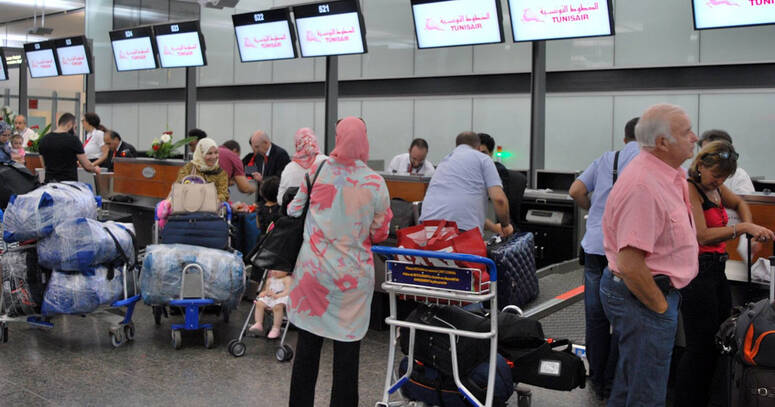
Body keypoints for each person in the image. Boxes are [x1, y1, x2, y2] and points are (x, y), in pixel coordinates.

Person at [286, 117, 393, 407]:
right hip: (352, 281)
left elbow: (294, 210)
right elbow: (380, 233)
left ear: (338, 137)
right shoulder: (375, 182)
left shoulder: (317, 170)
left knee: (307, 349)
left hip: (313, 276)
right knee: (347, 353)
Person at [599, 104, 699, 406]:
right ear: (663, 142)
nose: (695, 137)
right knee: (647, 393)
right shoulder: (644, 186)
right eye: (686, 132)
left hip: (647, 296)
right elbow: (630, 264)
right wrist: (659, 308)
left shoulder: (669, 175)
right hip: (643, 297)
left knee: (631, 384)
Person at [674, 140, 775, 407]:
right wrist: (743, 228)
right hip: (698, 272)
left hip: (717, 270)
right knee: (699, 346)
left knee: (720, 338)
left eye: (724, 177)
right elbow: (702, 235)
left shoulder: (716, 188)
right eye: (716, 175)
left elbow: (739, 203)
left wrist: (750, 227)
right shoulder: (691, 188)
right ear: (701, 165)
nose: (719, 181)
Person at [568, 117, 640, 400]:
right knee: (623, 317)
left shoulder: (607, 158)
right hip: (625, 249)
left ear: (624, 139)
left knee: (596, 317)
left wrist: (594, 211)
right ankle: (613, 381)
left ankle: (597, 378)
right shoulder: (650, 162)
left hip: (596, 245)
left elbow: (576, 191)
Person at [419, 131, 513, 237]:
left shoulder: (445, 161)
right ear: (478, 147)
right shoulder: (484, 159)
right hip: (460, 232)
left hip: (427, 228)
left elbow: (462, 211)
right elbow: (499, 199)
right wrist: (505, 226)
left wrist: (495, 228)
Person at [38, 113, 101, 183]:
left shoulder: (43, 140)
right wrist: (95, 169)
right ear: (70, 124)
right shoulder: (73, 140)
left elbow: (44, 166)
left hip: (49, 184)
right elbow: (87, 166)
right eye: (75, 128)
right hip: (68, 184)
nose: (75, 132)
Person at [698, 130, 754, 195]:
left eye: (709, 151)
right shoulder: (696, 174)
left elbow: (744, 200)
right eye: (703, 151)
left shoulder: (739, 176)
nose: (704, 156)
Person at [278, 128, 327, 202]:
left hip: (295, 208)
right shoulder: (327, 162)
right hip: (323, 208)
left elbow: (280, 199)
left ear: (297, 144)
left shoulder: (289, 169)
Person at [175, 137, 229, 203]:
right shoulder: (189, 168)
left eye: (216, 152)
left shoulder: (220, 173)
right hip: (189, 206)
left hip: (210, 207)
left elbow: (223, 194)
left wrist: (213, 200)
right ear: (201, 153)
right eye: (209, 153)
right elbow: (179, 187)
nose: (214, 156)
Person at [248, 270, 292, 339]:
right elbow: (267, 290)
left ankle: (276, 328)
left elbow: (288, 291)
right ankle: (258, 323)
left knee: (277, 307)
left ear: (286, 271)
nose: (275, 271)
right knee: (259, 303)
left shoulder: (287, 279)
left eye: (279, 270)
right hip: (270, 299)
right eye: (273, 269)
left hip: (281, 298)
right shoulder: (270, 279)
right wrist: (263, 293)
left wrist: (278, 295)